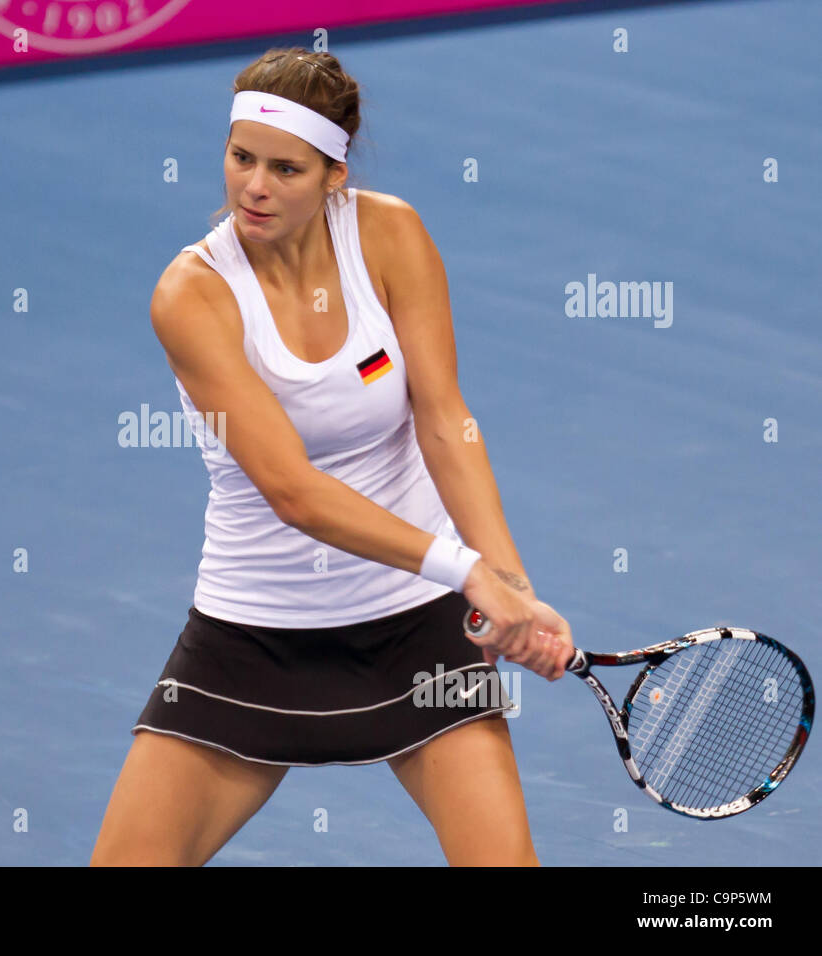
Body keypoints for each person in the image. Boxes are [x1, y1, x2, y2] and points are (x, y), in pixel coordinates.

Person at [91, 48, 573, 867]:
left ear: (334, 174)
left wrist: (511, 583)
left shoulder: (391, 235)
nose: (255, 187)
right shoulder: (192, 296)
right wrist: (468, 571)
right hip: (254, 637)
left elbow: (445, 421)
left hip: (415, 627)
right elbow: (293, 492)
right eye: (242, 158)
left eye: (286, 168)